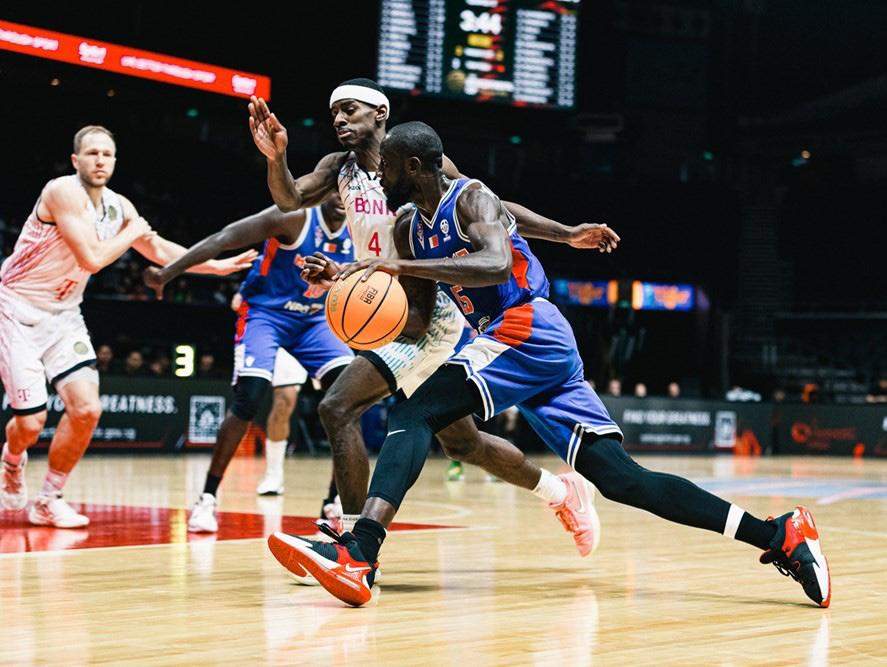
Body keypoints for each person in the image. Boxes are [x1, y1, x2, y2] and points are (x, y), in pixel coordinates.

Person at [267, 121, 830, 609]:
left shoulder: (470, 198)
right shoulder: (409, 228)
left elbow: (494, 262)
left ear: (412, 166)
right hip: (518, 346)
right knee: (621, 479)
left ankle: (361, 552)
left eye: (387, 167)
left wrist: (402, 265)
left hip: (528, 328)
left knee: (415, 413)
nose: (378, 176)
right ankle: (779, 534)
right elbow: (413, 319)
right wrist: (351, 284)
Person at [246, 79, 621, 555]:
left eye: (350, 109)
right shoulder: (337, 167)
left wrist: (565, 234)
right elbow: (288, 199)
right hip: (384, 304)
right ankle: (561, 492)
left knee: (337, 407)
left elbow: (490, 210)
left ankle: (353, 544)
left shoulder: (419, 160)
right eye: (334, 111)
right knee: (462, 444)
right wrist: (276, 157)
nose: (338, 119)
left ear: (380, 114)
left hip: (430, 312)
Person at [0, 125, 255, 527]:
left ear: (115, 161)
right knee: (31, 423)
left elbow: (158, 249)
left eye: (107, 154)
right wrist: (134, 231)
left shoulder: (118, 207)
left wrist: (214, 266)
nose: (100, 160)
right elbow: (92, 259)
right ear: (76, 160)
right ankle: (12, 460)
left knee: (87, 410)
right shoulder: (61, 192)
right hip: (17, 308)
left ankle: (48, 498)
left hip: (64, 314)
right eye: (92, 153)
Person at [145, 194, 354, 532]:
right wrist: (168, 273)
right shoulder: (294, 218)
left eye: (349, 189)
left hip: (316, 320)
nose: (342, 196)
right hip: (266, 313)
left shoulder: (363, 228)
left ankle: (334, 502)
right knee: (249, 398)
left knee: (351, 397)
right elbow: (224, 237)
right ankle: (207, 499)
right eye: (335, 186)